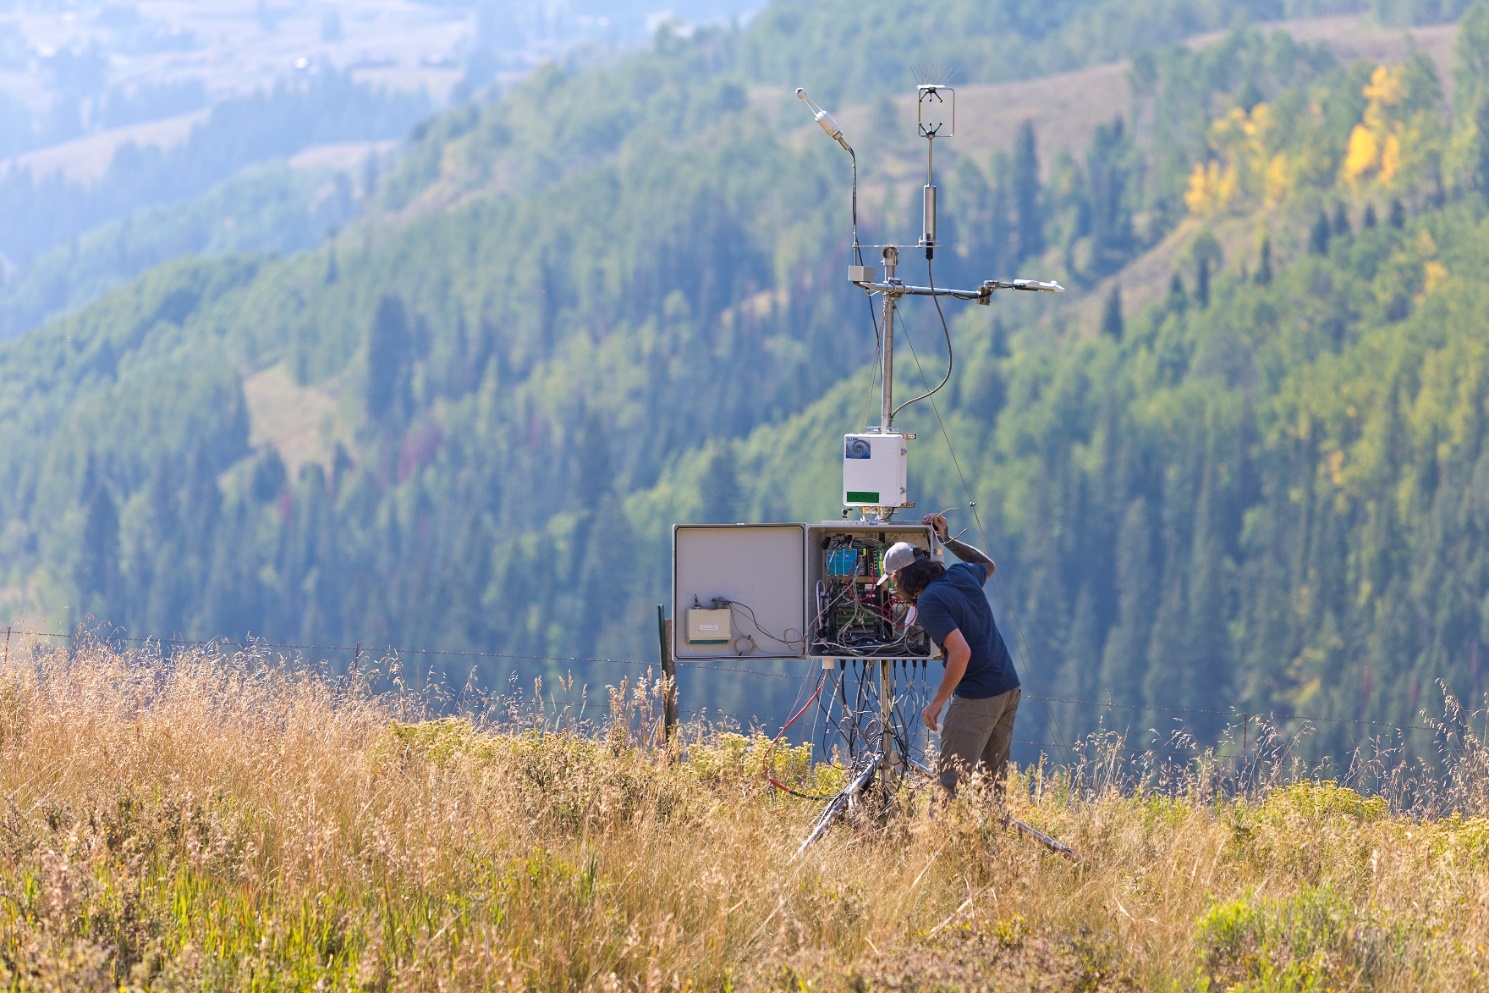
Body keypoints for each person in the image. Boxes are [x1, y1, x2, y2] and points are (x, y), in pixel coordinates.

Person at [880, 512, 1020, 797]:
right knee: (993, 787)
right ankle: (993, 840)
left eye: (893, 582)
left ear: (899, 576)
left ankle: (934, 840)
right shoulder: (959, 574)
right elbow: (987, 565)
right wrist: (947, 539)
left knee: (948, 785)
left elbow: (961, 653)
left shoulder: (929, 602)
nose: (894, 589)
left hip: (978, 695)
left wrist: (936, 704)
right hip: (1007, 687)